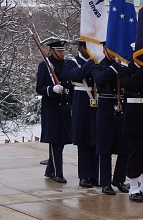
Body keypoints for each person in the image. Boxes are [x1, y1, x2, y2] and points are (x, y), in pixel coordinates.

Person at [118, 48, 143, 203]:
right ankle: (134, 187)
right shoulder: (125, 71)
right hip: (134, 116)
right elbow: (130, 84)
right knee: (136, 152)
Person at [91, 43, 129, 195]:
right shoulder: (98, 65)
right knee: (105, 147)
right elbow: (99, 79)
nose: (114, 54)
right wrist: (115, 66)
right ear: (104, 51)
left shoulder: (124, 67)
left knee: (125, 146)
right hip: (106, 109)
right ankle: (106, 182)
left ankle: (119, 179)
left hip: (122, 108)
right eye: (111, 51)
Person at [36, 39, 72, 183]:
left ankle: (50, 169)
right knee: (55, 141)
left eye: (63, 51)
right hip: (51, 108)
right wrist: (51, 89)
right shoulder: (45, 66)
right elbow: (39, 88)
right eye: (59, 51)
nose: (62, 54)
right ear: (52, 51)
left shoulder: (67, 65)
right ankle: (58, 173)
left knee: (61, 141)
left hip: (64, 107)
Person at [65, 40, 99, 188]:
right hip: (82, 101)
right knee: (84, 140)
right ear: (80, 48)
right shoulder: (72, 62)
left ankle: (94, 176)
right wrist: (92, 61)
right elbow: (78, 75)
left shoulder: (97, 61)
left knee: (96, 140)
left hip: (97, 100)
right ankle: (84, 176)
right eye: (87, 48)